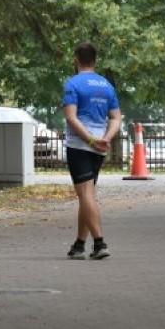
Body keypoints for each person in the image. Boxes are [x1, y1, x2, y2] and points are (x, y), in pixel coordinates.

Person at [63, 42, 122, 260]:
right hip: (100, 147)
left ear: (76, 59)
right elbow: (116, 117)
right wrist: (105, 138)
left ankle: (99, 242)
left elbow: (71, 116)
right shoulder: (107, 86)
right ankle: (79, 244)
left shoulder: (72, 84)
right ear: (95, 60)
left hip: (80, 145)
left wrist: (88, 139)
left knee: (86, 194)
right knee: (87, 194)